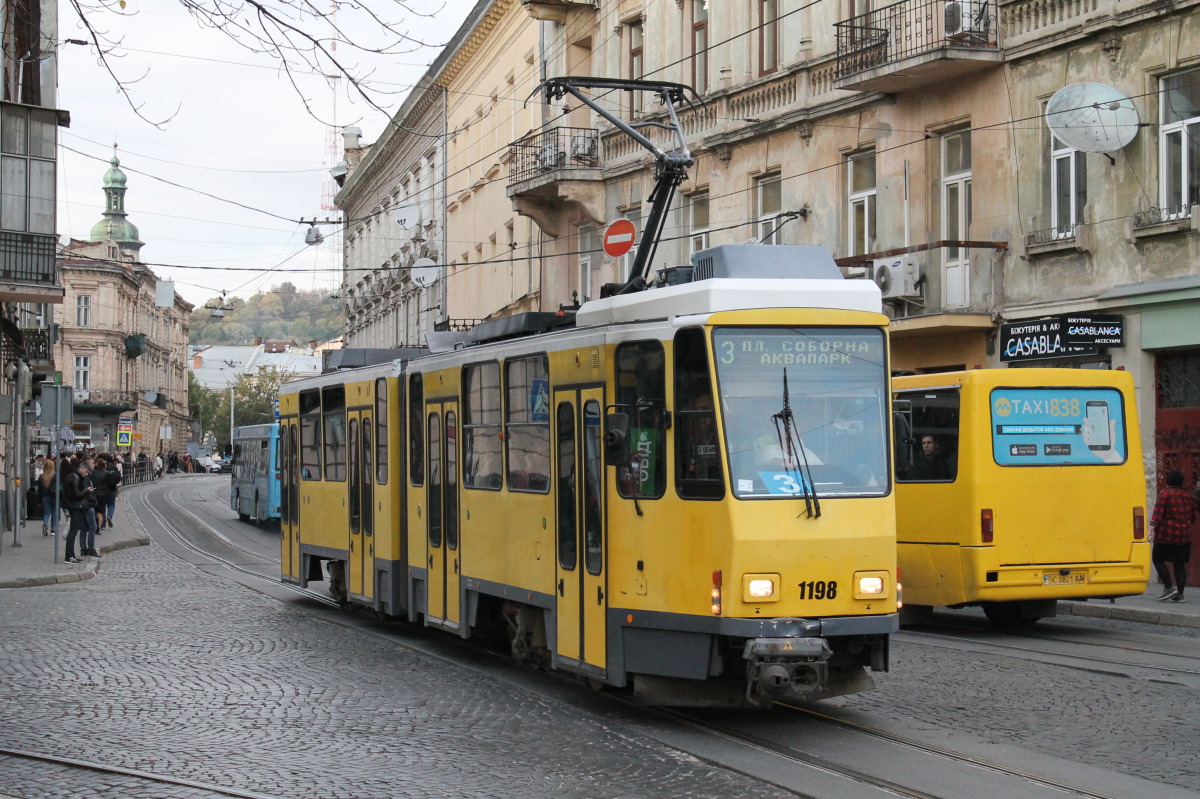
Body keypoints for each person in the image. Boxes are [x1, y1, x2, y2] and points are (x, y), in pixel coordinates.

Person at [1150, 470, 1196, 602]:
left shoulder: (1165, 494)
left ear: (1168, 481)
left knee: (1158, 559)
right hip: (1184, 536)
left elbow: (1157, 513)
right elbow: (1192, 517)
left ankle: (1169, 587)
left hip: (1166, 535)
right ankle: (1180, 594)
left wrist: (1151, 527)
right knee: (1179, 564)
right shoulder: (1189, 496)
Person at [62, 459, 93, 564]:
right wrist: (87, 491)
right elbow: (76, 495)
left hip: (74, 506)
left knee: (74, 531)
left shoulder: (74, 476)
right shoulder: (74, 478)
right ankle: (69, 556)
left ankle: (71, 555)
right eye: (86, 472)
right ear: (81, 468)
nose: (86, 474)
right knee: (73, 532)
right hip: (75, 507)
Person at [38, 456, 58, 537]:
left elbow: (39, 490)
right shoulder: (55, 476)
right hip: (54, 497)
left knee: (46, 513)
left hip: (44, 496)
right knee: (54, 513)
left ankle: (45, 524)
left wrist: (38, 501)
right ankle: (53, 530)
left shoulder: (42, 477)